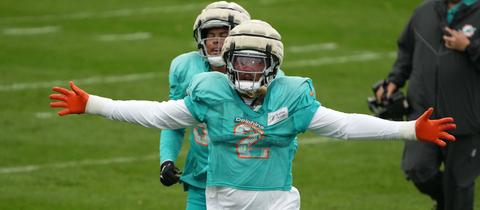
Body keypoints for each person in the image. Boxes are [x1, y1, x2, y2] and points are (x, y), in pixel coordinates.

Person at [50, 20, 457, 210]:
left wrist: (409, 129)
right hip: (221, 197)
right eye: (239, 61)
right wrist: (94, 104)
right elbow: (159, 115)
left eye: (252, 61)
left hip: (278, 199)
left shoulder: (292, 94)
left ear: (272, 61)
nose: (245, 70)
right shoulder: (209, 91)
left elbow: (345, 125)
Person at [374, 1, 480, 209]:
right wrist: (394, 81)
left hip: (467, 119)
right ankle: (446, 201)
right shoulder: (424, 12)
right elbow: (406, 51)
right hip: (424, 115)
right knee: (417, 168)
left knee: (459, 185)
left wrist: (469, 47)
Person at [158, 2, 250, 210]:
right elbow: (173, 120)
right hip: (203, 177)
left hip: (249, 180)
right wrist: (167, 159)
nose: (216, 42)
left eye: (224, 34)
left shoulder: (262, 75)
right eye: (211, 35)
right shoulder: (186, 68)